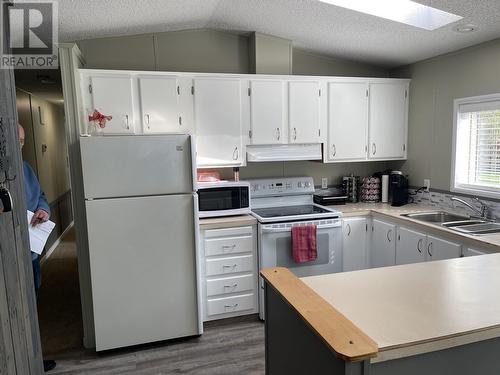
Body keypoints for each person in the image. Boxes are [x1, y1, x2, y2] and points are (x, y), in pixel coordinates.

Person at [19, 124, 56, 373]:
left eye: (22, 141)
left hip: (32, 251)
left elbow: (41, 195)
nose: (20, 144)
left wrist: (44, 209)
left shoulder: (26, 168)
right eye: (15, 139)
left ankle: (32, 359)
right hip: (10, 255)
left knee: (31, 307)